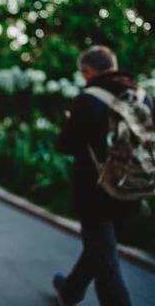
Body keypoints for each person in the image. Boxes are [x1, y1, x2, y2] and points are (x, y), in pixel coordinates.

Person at [54, 45, 154, 306]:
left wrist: (68, 122)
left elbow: (66, 145)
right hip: (133, 187)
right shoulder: (141, 95)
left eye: (83, 73)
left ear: (88, 71)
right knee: (100, 249)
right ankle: (70, 292)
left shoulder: (87, 98)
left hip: (95, 191)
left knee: (106, 260)